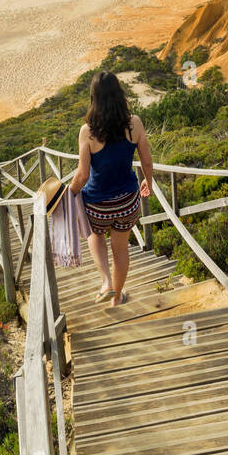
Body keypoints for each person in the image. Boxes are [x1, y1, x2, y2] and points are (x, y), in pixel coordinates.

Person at [69, 70, 154, 308]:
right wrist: (149, 181)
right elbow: (146, 161)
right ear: (119, 94)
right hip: (127, 201)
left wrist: (69, 193)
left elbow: (83, 174)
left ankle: (106, 282)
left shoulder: (88, 131)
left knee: (94, 234)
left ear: (94, 97)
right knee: (121, 249)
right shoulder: (134, 123)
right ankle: (116, 298)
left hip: (97, 205)